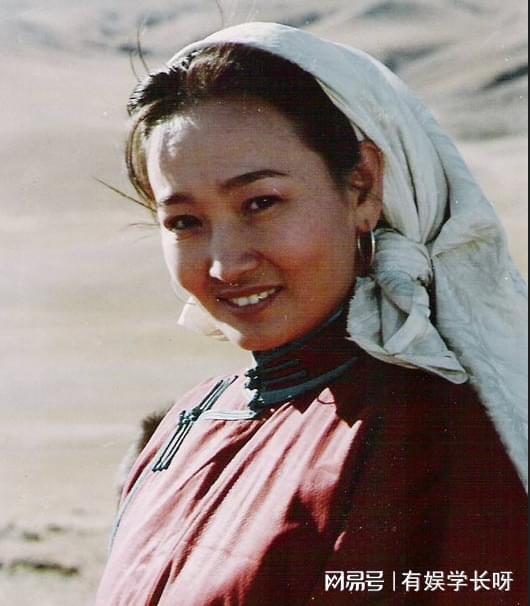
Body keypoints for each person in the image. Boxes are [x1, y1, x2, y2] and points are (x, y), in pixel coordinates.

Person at [96, 22, 528, 605]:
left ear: (362, 188)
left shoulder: (435, 435)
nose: (226, 265)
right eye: (185, 222)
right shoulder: (187, 423)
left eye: (261, 203)